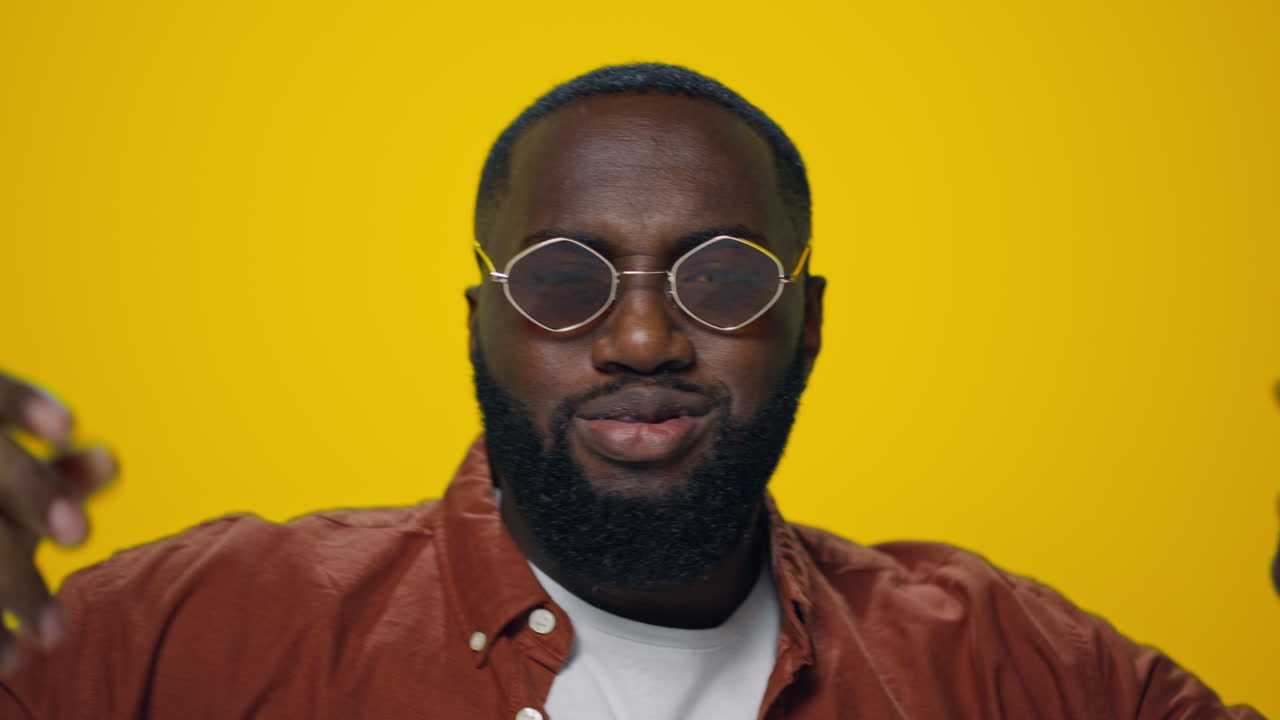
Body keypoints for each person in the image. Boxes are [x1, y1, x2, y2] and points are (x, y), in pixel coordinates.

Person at [0, 64, 1263, 719]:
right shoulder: (177, 646)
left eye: (720, 275)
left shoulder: (1013, 672)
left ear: (808, 323)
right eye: (562, 279)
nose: (644, 335)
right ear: (480, 325)